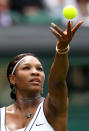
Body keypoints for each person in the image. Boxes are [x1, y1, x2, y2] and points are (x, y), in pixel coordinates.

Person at [0, 21, 82, 131]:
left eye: (39, 69)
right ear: (13, 79)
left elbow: (57, 82)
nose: (35, 72)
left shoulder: (52, 108)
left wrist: (62, 49)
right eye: (26, 68)